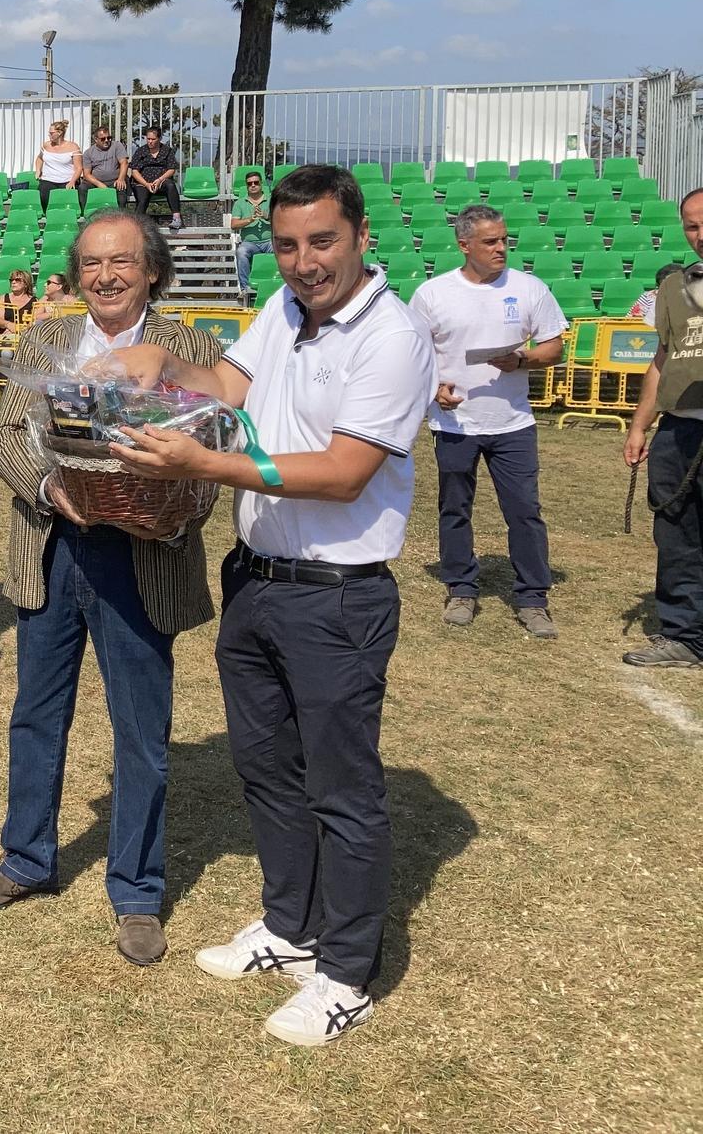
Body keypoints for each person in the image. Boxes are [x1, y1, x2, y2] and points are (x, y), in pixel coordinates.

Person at [106, 164, 433, 1046]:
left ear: (360, 235)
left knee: (342, 791)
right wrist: (163, 362)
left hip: (338, 597)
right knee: (269, 774)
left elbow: (343, 472)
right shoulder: (284, 311)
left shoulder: (392, 338)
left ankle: (346, 974)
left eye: (321, 241)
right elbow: (229, 388)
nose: (303, 262)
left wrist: (202, 466)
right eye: (287, 245)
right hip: (256, 579)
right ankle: (292, 930)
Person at [0, 211, 223, 968]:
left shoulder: (194, 348)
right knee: (36, 714)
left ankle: (137, 892)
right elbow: (5, 434)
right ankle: (25, 862)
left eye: (123, 262)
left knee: (140, 730)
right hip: (54, 545)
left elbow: (212, 452)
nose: (106, 276)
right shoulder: (47, 340)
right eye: (93, 264)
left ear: (152, 271)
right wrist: (47, 486)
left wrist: (170, 512)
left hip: (142, 554)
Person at [408, 205, 567, 638]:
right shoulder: (432, 295)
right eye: (491, 241)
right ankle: (461, 588)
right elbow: (416, 357)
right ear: (464, 245)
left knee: (524, 511)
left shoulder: (530, 289)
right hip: (455, 423)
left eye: (503, 239)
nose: (501, 248)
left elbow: (556, 348)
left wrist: (523, 359)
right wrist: (434, 389)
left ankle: (533, 598)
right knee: (454, 509)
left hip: (514, 424)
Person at [621, 189, 703, 670]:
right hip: (678, 431)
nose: (699, 235)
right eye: (691, 226)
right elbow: (662, 359)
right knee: (676, 534)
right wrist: (640, 427)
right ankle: (685, 637)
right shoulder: (676, 288)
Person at [125, 128, 179, 227]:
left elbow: (171, 169)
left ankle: (176, 218)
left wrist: (159, 180)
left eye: (153, 139)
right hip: (142, 182)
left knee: (170, 185)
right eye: (148, 139)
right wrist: (146, 184)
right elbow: (134, 171)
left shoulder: (167, 151)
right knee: (142, 199)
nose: (150, 141)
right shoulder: (141, 151)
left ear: (159, 138)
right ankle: (137, 225)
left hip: (161, 181)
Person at [230, 170, 271, 297]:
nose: (253, 185)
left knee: (282, 249)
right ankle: (244, 288)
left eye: (256, 182)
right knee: (241, 251)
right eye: (249, 183)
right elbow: (233, 225)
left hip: (270, 241)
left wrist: (266, 216)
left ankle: (279, 284)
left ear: (261, 184)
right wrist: (250, 219)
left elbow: (282, 220)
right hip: (250, 243)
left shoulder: (271, 200)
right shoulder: (240, 203)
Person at [37, 121, 80, 213]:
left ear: (59, 133)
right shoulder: (46, 145)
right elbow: (39, 158)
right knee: (43, 194)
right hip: (48, 180)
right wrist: (38, 170)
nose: (49, 135)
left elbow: (79, 168)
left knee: (65, 205)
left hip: (66, 180)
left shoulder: (73, 147)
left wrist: (72, 181)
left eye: (51, 133)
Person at [78, 126, 126, 198]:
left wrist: (121, 179)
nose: (106, 140)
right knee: (82, 188)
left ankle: (121, 209)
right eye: (103, 139)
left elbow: (124, 163)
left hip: (115, 181)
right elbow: (86, 174)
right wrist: (99, 184)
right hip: (95, 182)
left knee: (121, 187)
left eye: (109, 138)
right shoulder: (88, 153)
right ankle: (83, 209)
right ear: (96, 139)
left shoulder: (117, 146)